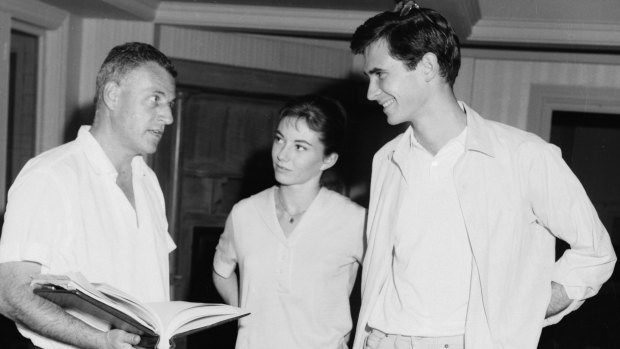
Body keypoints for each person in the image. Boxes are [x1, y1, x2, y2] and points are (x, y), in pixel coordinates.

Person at [349, 2, 616, 349]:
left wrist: (522, 313)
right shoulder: (387, 160)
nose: (371, 92)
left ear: (427, 66)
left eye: (380, 74)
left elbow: (595, 254)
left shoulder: (523, 156)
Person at [0, 42, 177, 349]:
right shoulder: (50, 176)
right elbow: (9, 295)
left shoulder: (148, 181)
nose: (168, 117)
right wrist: (100, 341)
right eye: (155, 100)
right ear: (112, 95)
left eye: (170, 103)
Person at [212, 95, 366, 349]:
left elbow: (383, 292)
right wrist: (243, 314)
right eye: (279, 139)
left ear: (328, 159)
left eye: (300, 146)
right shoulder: (244, 213)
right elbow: (221, 272)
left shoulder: (355, 220)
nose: (282, 155)